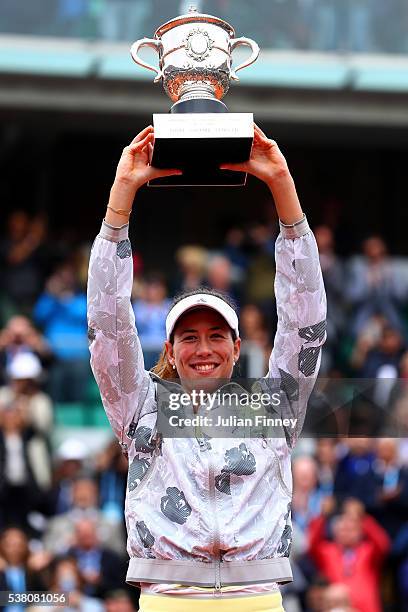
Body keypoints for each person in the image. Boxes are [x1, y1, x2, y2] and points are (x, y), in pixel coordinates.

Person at [87, 124, 327, 610]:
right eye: (189, 337)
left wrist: (283, 188)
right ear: (171, 351)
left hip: (257, 595)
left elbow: (305, 321)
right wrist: (120, 201)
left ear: (237, 348)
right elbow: (108, 324)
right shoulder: (143, 407)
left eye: (217, 335)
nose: (204, 348)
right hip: (167, 596)